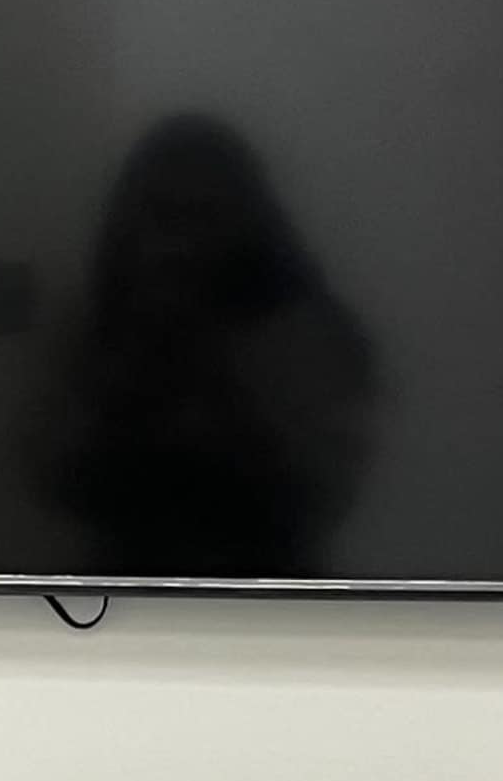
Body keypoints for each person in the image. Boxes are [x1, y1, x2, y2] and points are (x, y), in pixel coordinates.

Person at [31, 114, 378, 578]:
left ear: (247, 222)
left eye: (203, 217)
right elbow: (53, 473)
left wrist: (232, 364)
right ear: (130, 223)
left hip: (280, 604)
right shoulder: (101, 326)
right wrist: (136, 356)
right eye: (164, 218)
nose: (183, 245)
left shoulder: (301, 330)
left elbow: (318, 490)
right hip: (120, 603)